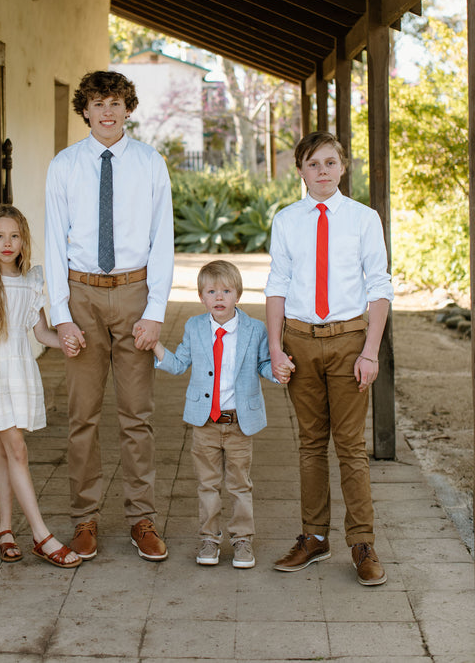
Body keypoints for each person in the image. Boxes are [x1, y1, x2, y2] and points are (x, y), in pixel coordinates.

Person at [45, 70, 174, 562]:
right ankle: (85, 518)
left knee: (137, 415)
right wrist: (61, 316)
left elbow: (163, 239)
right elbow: (55, 243)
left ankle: (142, 518)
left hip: (134, 291)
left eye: (116, 102)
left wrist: (156, 311)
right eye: (98, 102)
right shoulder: (65, 165)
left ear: (127, 108)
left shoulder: (149, 163)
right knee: (83, 416)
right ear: (84, 109)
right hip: (81, 295)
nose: (107, 111)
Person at [265, 131, 393, 586]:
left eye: (330, 163)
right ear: (300, 170)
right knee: (309, 444)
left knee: (351, 446)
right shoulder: (286, 220)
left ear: (343, 168)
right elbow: (277, 284)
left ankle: (363, 543)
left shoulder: (363, 219)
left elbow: (378, 286)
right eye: (313, 163)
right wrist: (276, 347)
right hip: (299, 342)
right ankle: (314, 538)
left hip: (348, 342)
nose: (322, 171)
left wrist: (370, 352)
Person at [0, 204, 80, 569]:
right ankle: (42, 536)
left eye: (14, 236)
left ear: (24, 240)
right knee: (18, 450)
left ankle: (5, 530)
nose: (7, 243)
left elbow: (40, 331)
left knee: (2, 451)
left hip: (20, 373)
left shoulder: (31, 280)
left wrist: (67, 341)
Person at [154, 260, 277, 568]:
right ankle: (209, 538)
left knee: (239, 484)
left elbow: (264, 365)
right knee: (207, 484)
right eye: (212, 291)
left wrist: (280, 370)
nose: (219, 297)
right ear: (202, 297)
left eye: (226, 290)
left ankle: (242, 540)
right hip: (205, 424)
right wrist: (154, 346)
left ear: (237, 295)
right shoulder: (194, 327)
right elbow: (180, 363)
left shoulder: (254, 329)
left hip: (238, 423)